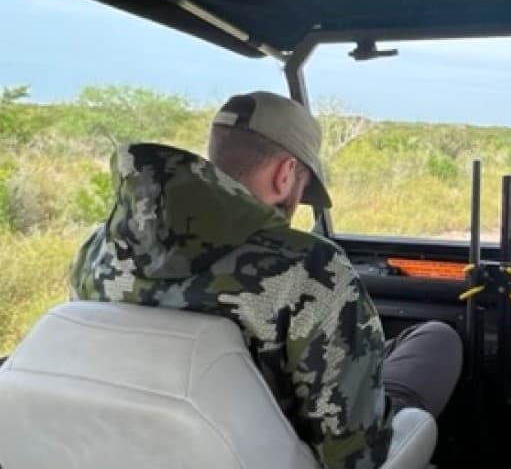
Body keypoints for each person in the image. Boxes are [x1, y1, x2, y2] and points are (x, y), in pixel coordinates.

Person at [68, 91, 463, 469]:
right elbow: (353, 455)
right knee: (436, 339)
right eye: (303, 186)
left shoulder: (97, 251)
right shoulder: (308, 266)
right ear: (286, 174)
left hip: (129, 449)